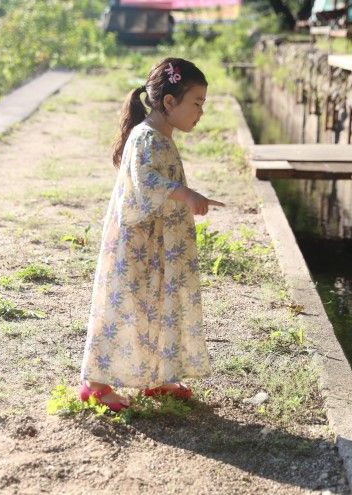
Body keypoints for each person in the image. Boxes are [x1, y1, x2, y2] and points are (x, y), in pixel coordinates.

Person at [78, 57, 225, 411]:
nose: (200, 112)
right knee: (123, 307)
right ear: (170, 102)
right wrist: (187, 194)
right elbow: (146, 181)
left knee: (156, 305)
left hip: (158, 244)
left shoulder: (160, 136)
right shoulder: (146, 137)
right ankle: (95, 383)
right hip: (137, 244)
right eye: (197, 103)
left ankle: (156, 375)